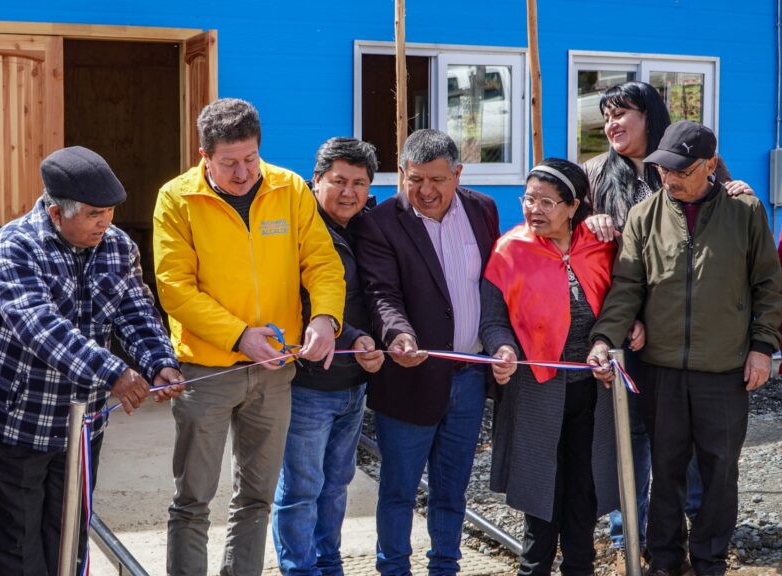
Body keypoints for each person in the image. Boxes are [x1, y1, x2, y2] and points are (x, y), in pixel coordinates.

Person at [154, 98, 345, 576]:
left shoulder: (290, 189)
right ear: (204, 155)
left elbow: (322, 263)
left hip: (274, 372)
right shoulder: (177, 198)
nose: (242, 173)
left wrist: (325, 319)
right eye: (229, 163)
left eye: (250, 159)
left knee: (257, 496)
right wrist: (240, 336)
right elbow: (175, 289)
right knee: (193, 497)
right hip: (206, 371)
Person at [0, 145, 183, 575]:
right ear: (55, 213)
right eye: (93, 214)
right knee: (20, 545)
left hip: (83, 423)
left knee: (70, 537)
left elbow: (135, 310)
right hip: (18, 422)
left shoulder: (117, 246)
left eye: (109, 212)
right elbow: (40, 328)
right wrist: (114, 372)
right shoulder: (14, 247)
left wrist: (159, 361)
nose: (105, 223)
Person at [588, 120, 782, 576]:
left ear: (710, 165)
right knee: (667, 470)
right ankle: (667, 561)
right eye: (663, 170)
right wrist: (604, 339)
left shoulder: (746, 209)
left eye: (681, 170)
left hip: (725, 369)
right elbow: (626, 288)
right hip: (662, 369)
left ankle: (711, 560)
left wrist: (763, 346)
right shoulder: (644, 215)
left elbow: (769, 286)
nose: (670, 179)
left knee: (719, 473)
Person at [354, 128, 500, 575]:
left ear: (457, 173)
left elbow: (492, 285)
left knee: (452, 488)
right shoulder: (379, 222)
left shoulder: (482, 210)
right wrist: (399, 336)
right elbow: (382, 294)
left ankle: (445, 567)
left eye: (437, 179)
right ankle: (393, 568)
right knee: (398, 487)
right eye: (415, 178)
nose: (425, 190)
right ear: (401, 173)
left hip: (469, 378)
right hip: (409, 376)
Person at [482, 159, 632, 575]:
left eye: (547, 202)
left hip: (592, 388)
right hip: (535, 390)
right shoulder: (509, 249)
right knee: (541, 499)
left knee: (583, 496)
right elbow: (493, 320)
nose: (535, 210)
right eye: (529, 199)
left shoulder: (600, 245)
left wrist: (621, 334)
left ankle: (580, 569)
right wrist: (503, 348)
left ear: (573, 206)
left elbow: (623, 302)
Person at [271, 137, 385, 575]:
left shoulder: (368, 226)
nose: (348, 192)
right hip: (308, 385)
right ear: (316, 180)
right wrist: (355, 336)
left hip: (353, 383)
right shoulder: (298, 227)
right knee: (301, 488)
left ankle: (328, 562)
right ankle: (300, 568)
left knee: (337, 485)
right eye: (338, 181)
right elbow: (298, 301)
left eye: (359, 183)